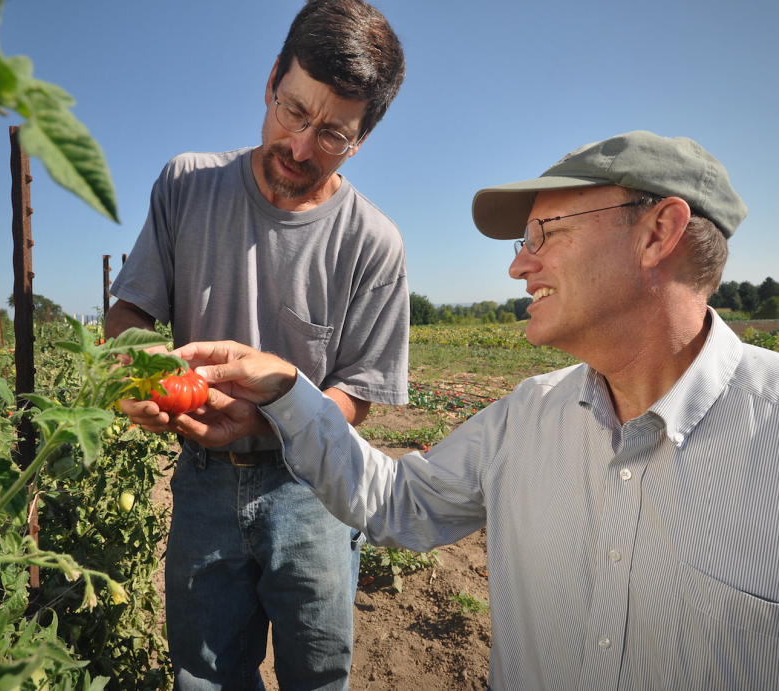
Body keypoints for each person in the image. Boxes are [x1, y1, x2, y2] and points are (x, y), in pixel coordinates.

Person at [174, 131, 779, 690]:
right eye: (524, 241)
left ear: (657, 233)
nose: (519, 264)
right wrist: (285, 388)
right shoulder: (526, 418)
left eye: (548, 233)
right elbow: (396, 500)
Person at [105, 0, 408, 688]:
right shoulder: (187, 185)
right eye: (294, 110)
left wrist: (279, 418)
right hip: (204, 485)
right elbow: (128, 316)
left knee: (317, 674)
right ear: (271, 80)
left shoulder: (374, 242)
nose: (301, 146)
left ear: (362, 138)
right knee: (204, 676)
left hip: (315, 492)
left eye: (332, 133)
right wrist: (138, 376)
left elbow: (358, 393)